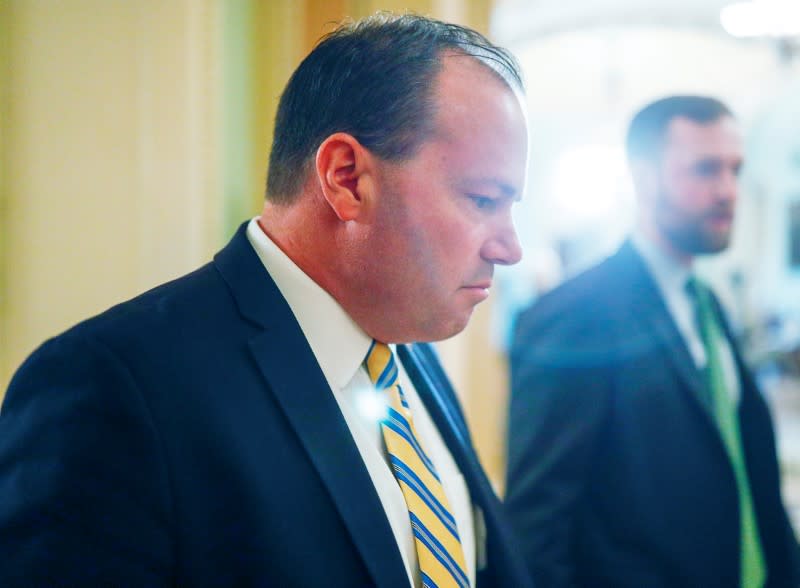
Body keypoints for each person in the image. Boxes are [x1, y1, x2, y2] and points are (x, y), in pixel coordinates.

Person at [0, 13, 533, 587]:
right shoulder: (114, 385)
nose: (510, 249)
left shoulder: (411, 353)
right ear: (347, 178)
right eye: (482, 199)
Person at [505, 95, 800, 588]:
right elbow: (538, 522)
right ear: (643, 177)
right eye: (705, 169)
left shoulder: (710, 304)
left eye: (735, 170)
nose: (728, 190)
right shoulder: (575, 314)